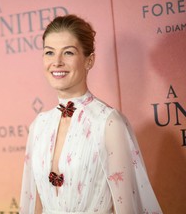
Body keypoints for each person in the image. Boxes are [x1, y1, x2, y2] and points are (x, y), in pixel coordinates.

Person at [19, 14, 162, 214]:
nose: (57, 62)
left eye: (68, 53)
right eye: (49, 53)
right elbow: (34, 205)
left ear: (89, 60)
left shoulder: (108, 123)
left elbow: (126, 207)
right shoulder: (39, 126)